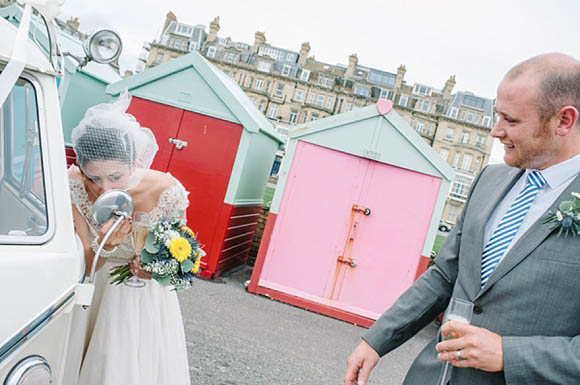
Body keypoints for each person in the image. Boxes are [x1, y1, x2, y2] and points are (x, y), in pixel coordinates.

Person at [344, 52, 580, 385]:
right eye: (497, 115)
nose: (496, 132)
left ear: (564, 121)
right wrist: (376, 340)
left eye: (511, 121)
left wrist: (508, 354)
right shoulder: (489, 179)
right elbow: (444, 275)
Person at [69, 94, 191, 385]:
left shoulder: (165, 190)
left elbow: (182, 258)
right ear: (80, 167)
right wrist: (106, 245)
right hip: (95, 291)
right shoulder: (72, 185)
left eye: (115, 177)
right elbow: (84, 268)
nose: (104, 188)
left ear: (133, 163)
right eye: (93, 178)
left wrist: (156, 270)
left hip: (144, 301)